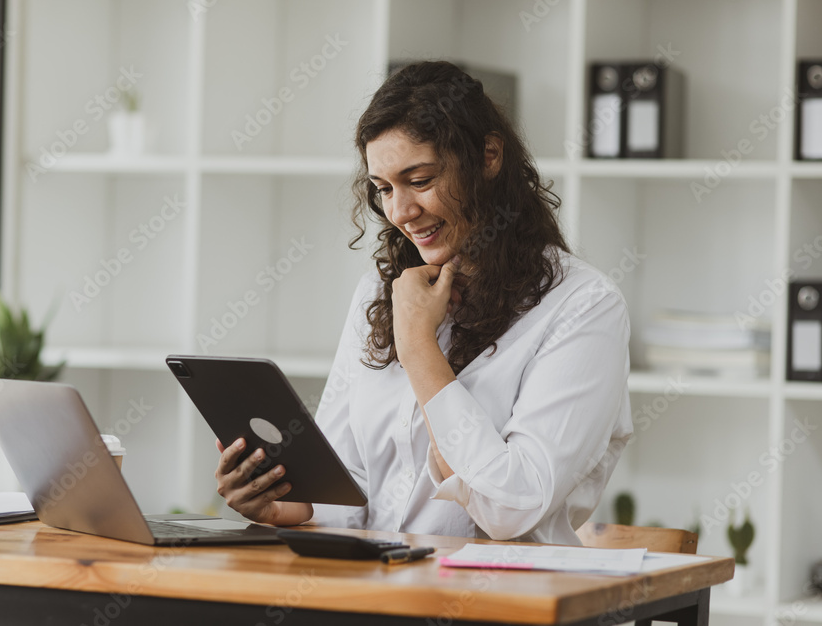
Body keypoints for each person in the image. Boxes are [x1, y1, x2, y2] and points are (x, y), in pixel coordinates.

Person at [214, 61, 632, 545]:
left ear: (489, 156)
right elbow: (347, 483)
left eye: (420, 180)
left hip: (501, 601)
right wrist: (281, 504)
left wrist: (417, 346)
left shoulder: (583, 306)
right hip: (377, 592)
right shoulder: (381, 291)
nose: (400, 212)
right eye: (384, 189)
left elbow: (511, 508)